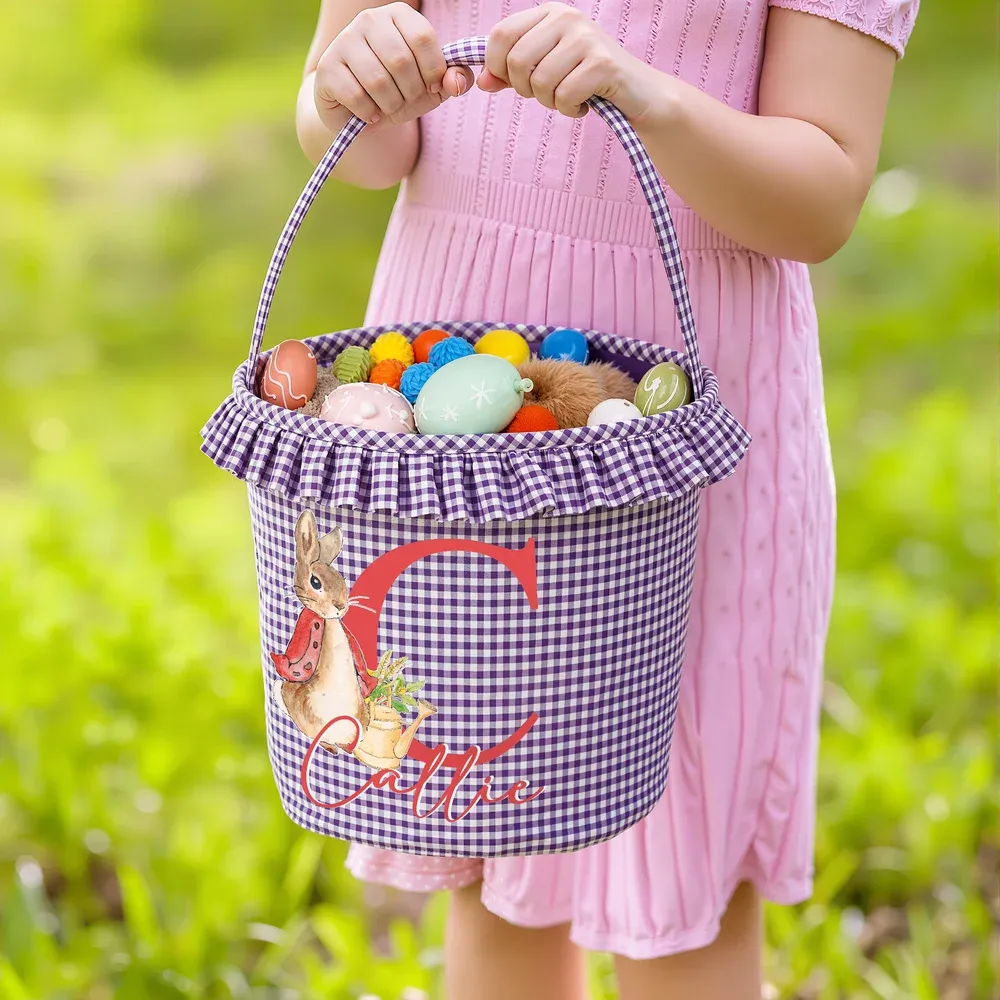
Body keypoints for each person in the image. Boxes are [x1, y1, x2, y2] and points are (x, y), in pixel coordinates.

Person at [295, 1, 918, 997]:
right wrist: (350, 86)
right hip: (455, 366)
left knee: (681, 866)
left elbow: (820, 199)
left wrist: (644, 95)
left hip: (682, 387)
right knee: (493, 831)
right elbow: (364, 147)